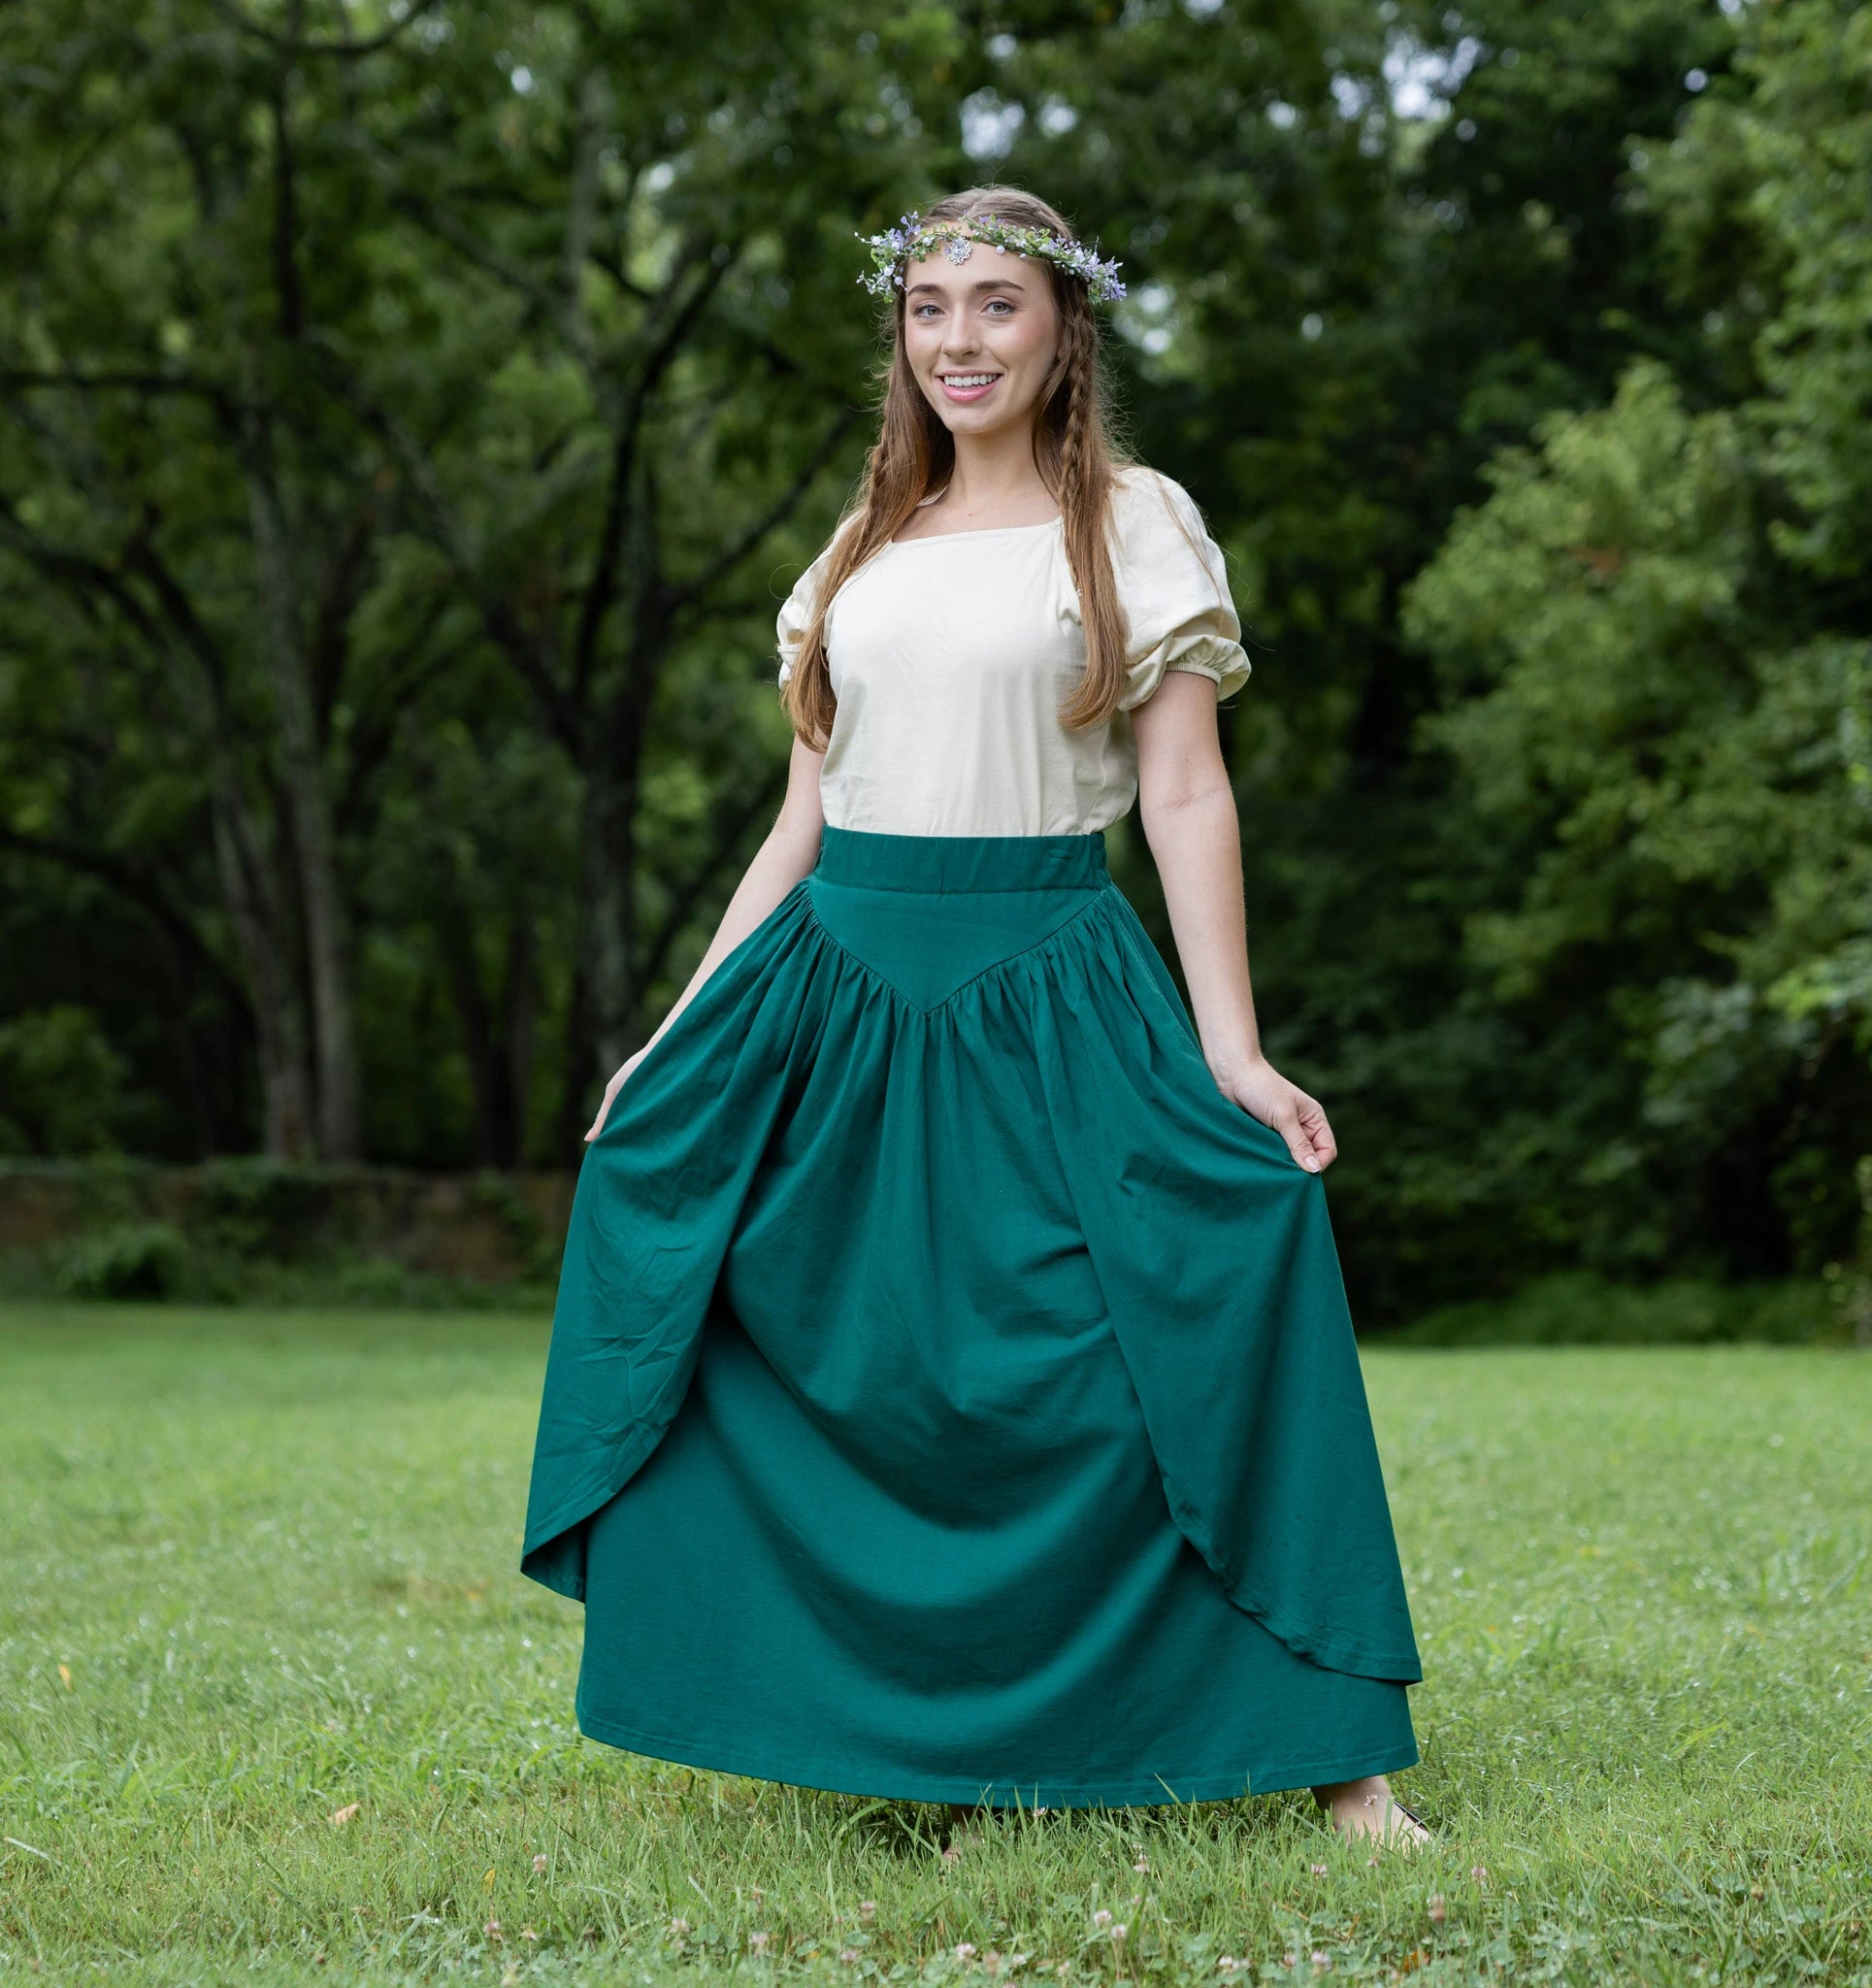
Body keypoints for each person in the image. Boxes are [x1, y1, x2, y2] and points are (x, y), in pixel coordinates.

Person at [520, 184, 1430, 1846]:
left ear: (1063, 328)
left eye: (996, 305)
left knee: (1195, 1295)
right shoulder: (857, 552)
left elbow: (1184, 796)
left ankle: (1333, 1753)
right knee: (864, 1360)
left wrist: (1231, 1045)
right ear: (902, 336)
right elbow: (799, 825)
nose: (961, 340)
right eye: (931, 308)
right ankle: (905, 1747)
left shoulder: (1136, 524)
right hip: (840, 988)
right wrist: (684, 1026)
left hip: (1046, 977)